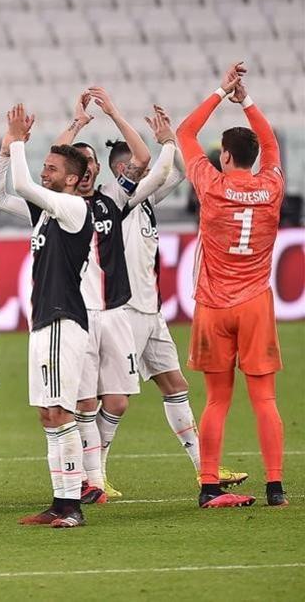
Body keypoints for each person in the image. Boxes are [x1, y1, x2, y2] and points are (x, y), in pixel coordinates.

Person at [113, 107, 248, 491]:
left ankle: (204, 468)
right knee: (115, 401)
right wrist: (169, 142)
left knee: (175, 385)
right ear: (124, 173)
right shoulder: (117, 204)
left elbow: (174, 174)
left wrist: (171, 142)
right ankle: (92, 475)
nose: (144, 174)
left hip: (150, 313)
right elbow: (161, 172)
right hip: (126, 313)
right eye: (135, 169)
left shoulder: (145, 205)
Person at [52, 88, 173, 502]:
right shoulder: (61, 206)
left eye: (91, 164)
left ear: (98, 168)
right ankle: (93, 481)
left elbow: (142, 160)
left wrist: (115, 113)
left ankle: (94, 471)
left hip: (116, 314)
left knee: (116, 402)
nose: (86, 170)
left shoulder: (112, 201)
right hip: (81, 315)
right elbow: (52, 164)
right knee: (84, 402)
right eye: (79, 163)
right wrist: (76, 123)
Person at [177, 63, 286, 508]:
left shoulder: (212, 185)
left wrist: (222, 92)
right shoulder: (271, 186)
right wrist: (251, 103)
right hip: (256, 301)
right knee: (264, 398)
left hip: (213, 305)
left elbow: (185, 133)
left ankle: (208, 485)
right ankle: (275, 487)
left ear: (224, 156)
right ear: (254, 158)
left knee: (217, 399)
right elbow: (274, 146)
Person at [0, 105, 91, 528]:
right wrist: (6, 151)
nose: (44, 172)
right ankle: (60, 502)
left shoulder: (72, 208)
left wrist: (19, 141)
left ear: (71, 178)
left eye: (52, 168)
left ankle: (72, 506)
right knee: (49, 412)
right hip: (46, 320)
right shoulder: (48, 212)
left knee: (60, 411)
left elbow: (25, 184)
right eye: (43, 165)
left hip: (63, 320)